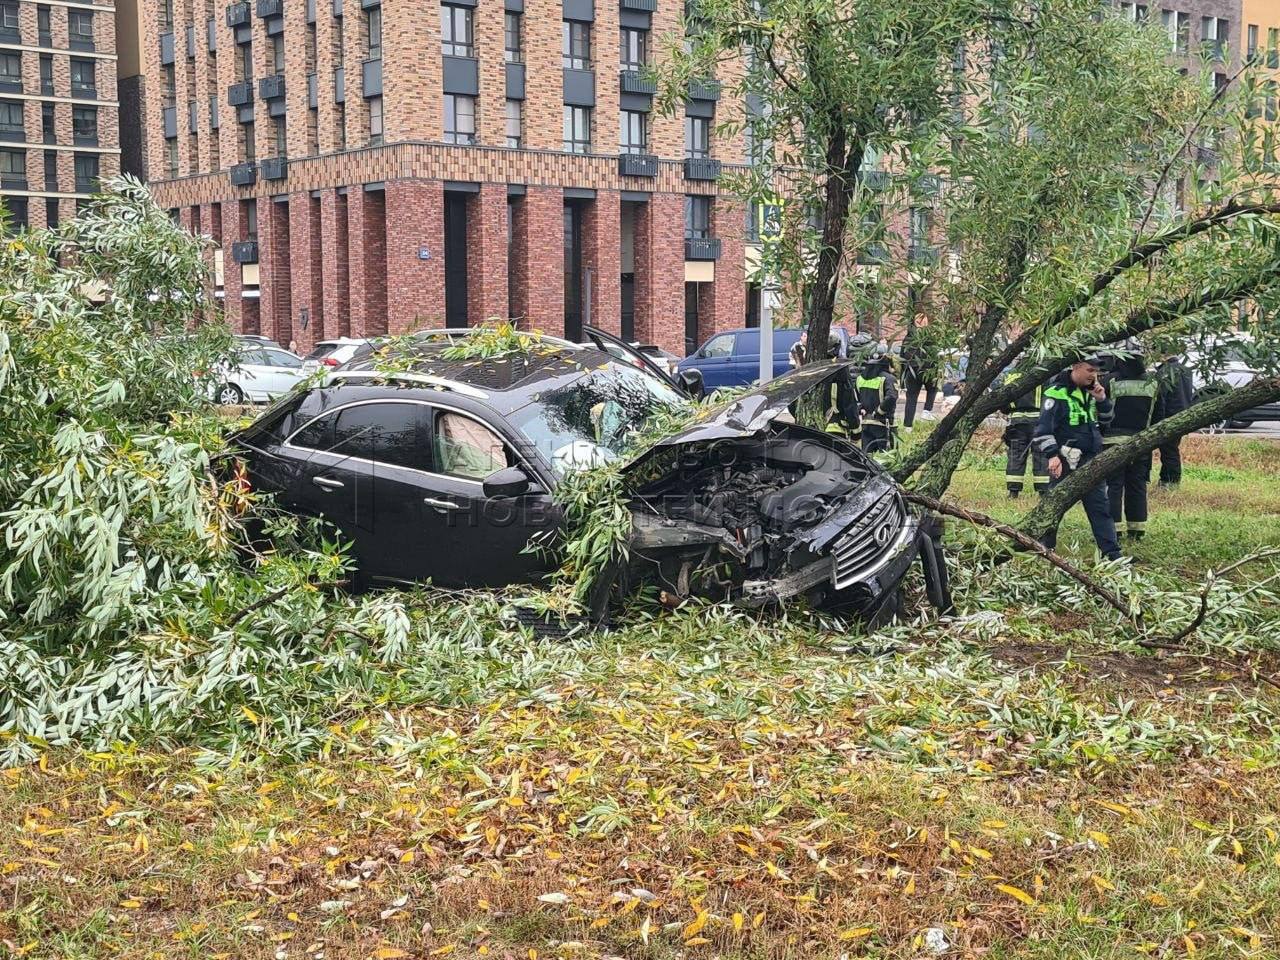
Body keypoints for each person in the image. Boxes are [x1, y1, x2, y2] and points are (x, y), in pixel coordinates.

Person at [1032, 356, 1122, 562]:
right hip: (1064, 461)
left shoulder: (1092, 393)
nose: (1094, 376)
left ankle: (1113, 555)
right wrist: (1052, 455)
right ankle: (1045, 550)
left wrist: (1102, 401)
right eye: (1090, 370)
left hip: (1091, 459)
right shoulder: (1055, 393)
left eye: (1096, 372)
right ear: (1076, 367)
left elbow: (1107, 423)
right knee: (1054, 506)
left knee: (1100, 507)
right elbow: (1042, 430)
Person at [1102, 349, 1158, 541]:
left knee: (1113, 486)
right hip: (1142, 442)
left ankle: (1113, 530)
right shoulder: (1153, 383)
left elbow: (1098, 410)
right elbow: (1161, 414)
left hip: (1111, 443)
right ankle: (1137, 530)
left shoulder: (1109, 381)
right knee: (1138, 486)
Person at [1000, 369, 1049, 499]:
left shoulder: (1010, 376)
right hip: (1039, 422)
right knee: (1041, 456)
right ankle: (1043, 492)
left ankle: (1013, 492)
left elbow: (1003, 401)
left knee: (1016, 455)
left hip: (1016, 422)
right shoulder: (1043, 372)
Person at [1152, 351, 1194, 487]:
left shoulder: (1164, 372)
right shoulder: (1185, 370)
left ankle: (1170, 481)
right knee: (1171, 449)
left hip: (1169, 416)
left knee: (1169, 451)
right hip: (1183, 414)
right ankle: (1168, 479)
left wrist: (1158, 421)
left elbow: (1162, 399)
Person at [820, 333, 862, 441]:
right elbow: (848, 401)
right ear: (837, 347)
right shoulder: (840, 370)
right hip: (836, 429)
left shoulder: (814, 367)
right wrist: (856, 431)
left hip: (815, 430)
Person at [857, 346, 898, 453]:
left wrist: (861, 408)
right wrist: (879, 411)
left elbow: (856, 398)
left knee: (867, 458)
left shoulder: (860, 378)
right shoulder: (888, 378)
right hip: (883, 424)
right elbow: (891, 397)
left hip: (866, 424)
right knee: (886, 459)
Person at [900, 320, 940, 428]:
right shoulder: (929, 337)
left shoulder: (908, 338)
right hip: (928, 369)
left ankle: (907, 425)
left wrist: (902, 381)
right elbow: (936, 354)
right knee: (933, 388)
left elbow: (902, 358)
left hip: (912, 370)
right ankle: (927, 411)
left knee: (911, 398)